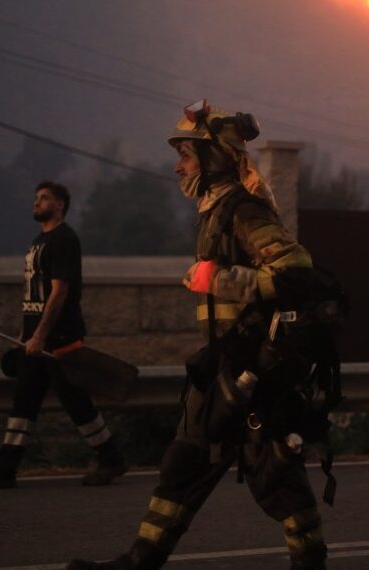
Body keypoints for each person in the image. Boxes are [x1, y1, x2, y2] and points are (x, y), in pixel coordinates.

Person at [67, 102, 329, 570]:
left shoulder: (243, 211)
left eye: (187, 155)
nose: (178, 165)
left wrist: (219, 279)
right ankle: (141, 558)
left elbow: (298, 273)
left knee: (275, 475)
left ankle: (310, 562)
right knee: (185, 461)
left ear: (212, 159)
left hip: (254, 372)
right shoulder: (214, 212)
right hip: (222, 365)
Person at [0, 180, 127, 489]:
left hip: (59, 339)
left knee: (76, 403)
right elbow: (32, 296)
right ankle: (4, 469)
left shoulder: (65, 239)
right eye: (36, 198)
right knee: (24, 404)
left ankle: (111, 458)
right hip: (34, 340)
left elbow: (60, 291)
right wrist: (23, 334)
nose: (37, 203)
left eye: (44, 198)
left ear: (60, 205)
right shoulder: (38, 241)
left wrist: (40, 335)